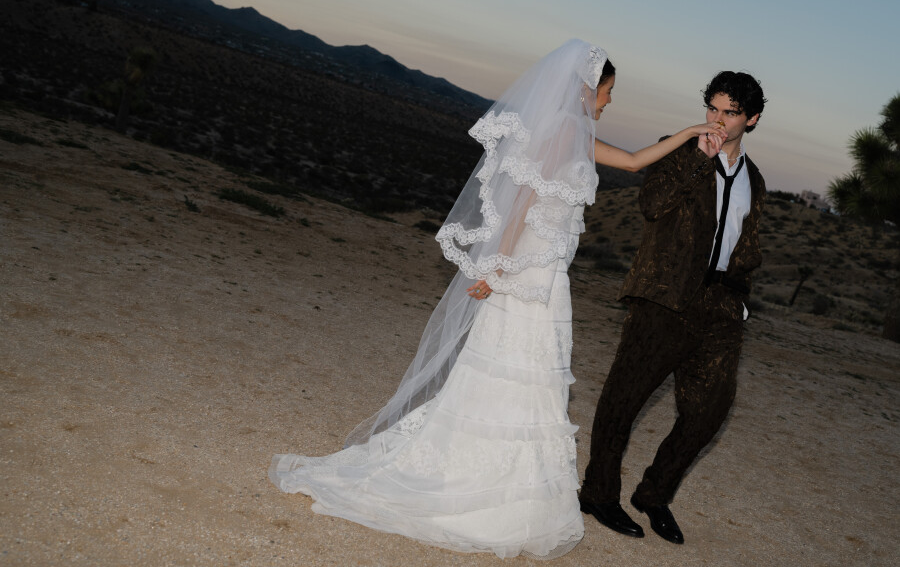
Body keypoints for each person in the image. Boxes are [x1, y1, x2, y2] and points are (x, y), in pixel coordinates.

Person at [269, 39, 727, 559]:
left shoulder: (578, 135)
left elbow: (632, 161)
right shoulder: (561, 131)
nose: (609, 101)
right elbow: (523, 201)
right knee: (514, 368)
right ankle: (485, 482)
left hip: (551, 275)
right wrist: (498, 266)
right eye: (608, 91)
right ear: (587, 88)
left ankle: (517, 486)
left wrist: (690, 134)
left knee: (535, 374)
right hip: (527, 269)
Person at [579, 71, 767, 545]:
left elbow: (746, 244)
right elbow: (652, 204)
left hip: (720, 307)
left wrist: (739, 298)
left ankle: (654, 494)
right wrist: (698, 161)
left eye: (730, 113)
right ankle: (598, 493)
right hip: (664, 298)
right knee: (625, 397)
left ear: (751, 119)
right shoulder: (679, 150)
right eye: (713, 109)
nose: (718, 120)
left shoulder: (755, 179)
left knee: (709, 410)